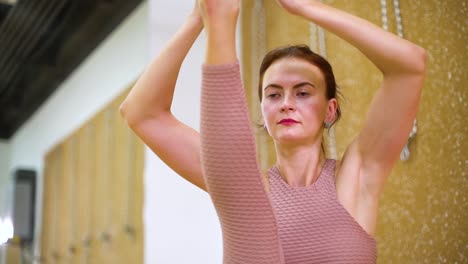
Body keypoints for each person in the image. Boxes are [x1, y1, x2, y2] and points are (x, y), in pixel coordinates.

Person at [120, 0, 426, 263]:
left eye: (303, 93)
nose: (287, 104)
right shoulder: (244, 183)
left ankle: (221, 23)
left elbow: (410, 65)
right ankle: (219, 20)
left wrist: (307, 8)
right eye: (274, 94)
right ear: (263, 111)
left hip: (244, 187)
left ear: (330, 110)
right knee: (244, 190)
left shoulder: (357, 177)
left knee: (241, 191)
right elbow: (140, 113)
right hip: (242, 188)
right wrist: (196, 19)